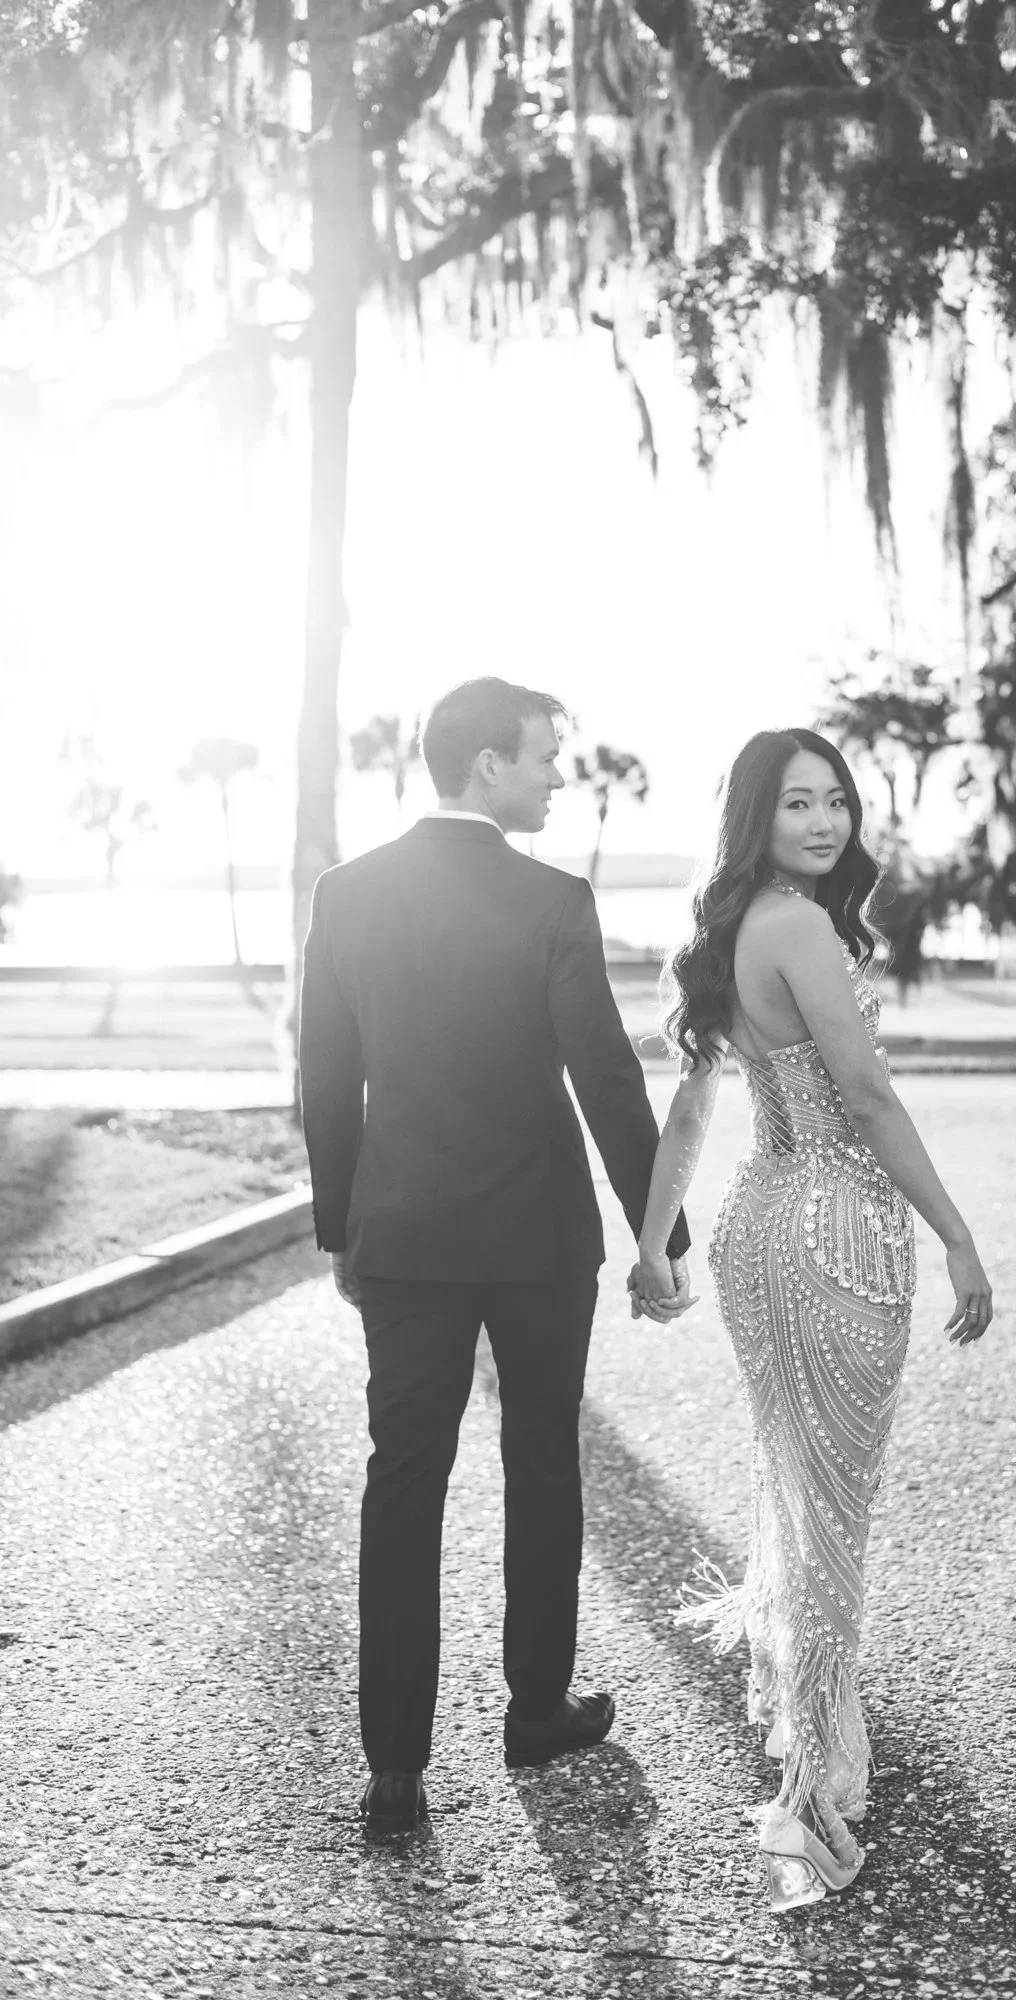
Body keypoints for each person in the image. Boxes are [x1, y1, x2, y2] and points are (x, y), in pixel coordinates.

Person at [299, 676, 691, 1831]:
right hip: (535, 1242)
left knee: (401, 1483)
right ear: (482, 765)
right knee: (541, 1465)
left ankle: (395, 1769)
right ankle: (534, 1709)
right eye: (541, 757)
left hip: (404, 1240)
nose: (556, 775)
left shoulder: (348, 893)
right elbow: (606, 1079)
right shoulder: (551, 900)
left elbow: (328, 1076)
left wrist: (342, 1227)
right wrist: (656, 1235)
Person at [629, 728, 994, 1910]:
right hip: (833, 1224)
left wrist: (650, 1240)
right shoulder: (796, 926)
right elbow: (868, 1093)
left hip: (754, 1226)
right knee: (831, 1500)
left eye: (834, 799)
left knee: (800, 1482)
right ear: (757, 816)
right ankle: (820, 1773)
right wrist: (952, 1230)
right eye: (796, 803)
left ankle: (812, 1715)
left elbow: (688, 1116)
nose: (823, 821)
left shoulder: (734, 930)